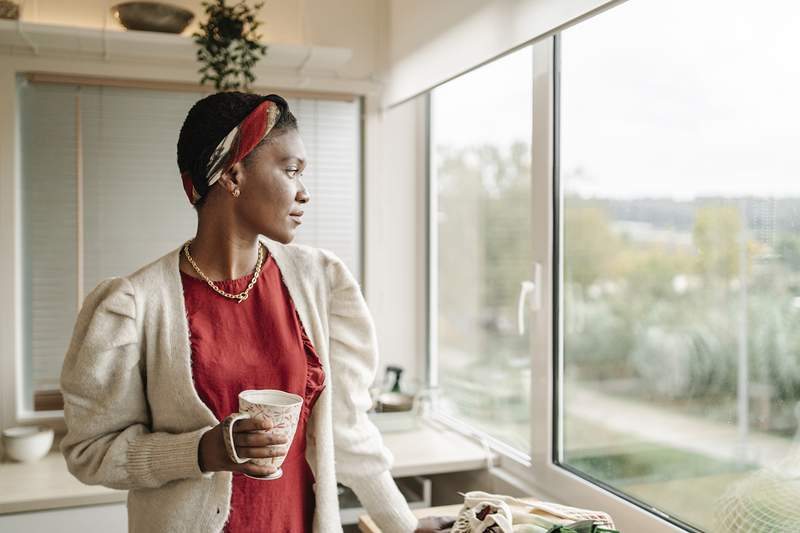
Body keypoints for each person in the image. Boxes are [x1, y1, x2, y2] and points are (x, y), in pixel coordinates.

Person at [59, 92, 454, 532]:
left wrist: (404, 525)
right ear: (232, 174)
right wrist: (204, 451)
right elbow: (91, 452)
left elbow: (346, 429)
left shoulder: (321, 281)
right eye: (291, 171)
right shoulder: (133, 306)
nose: (304, 192)